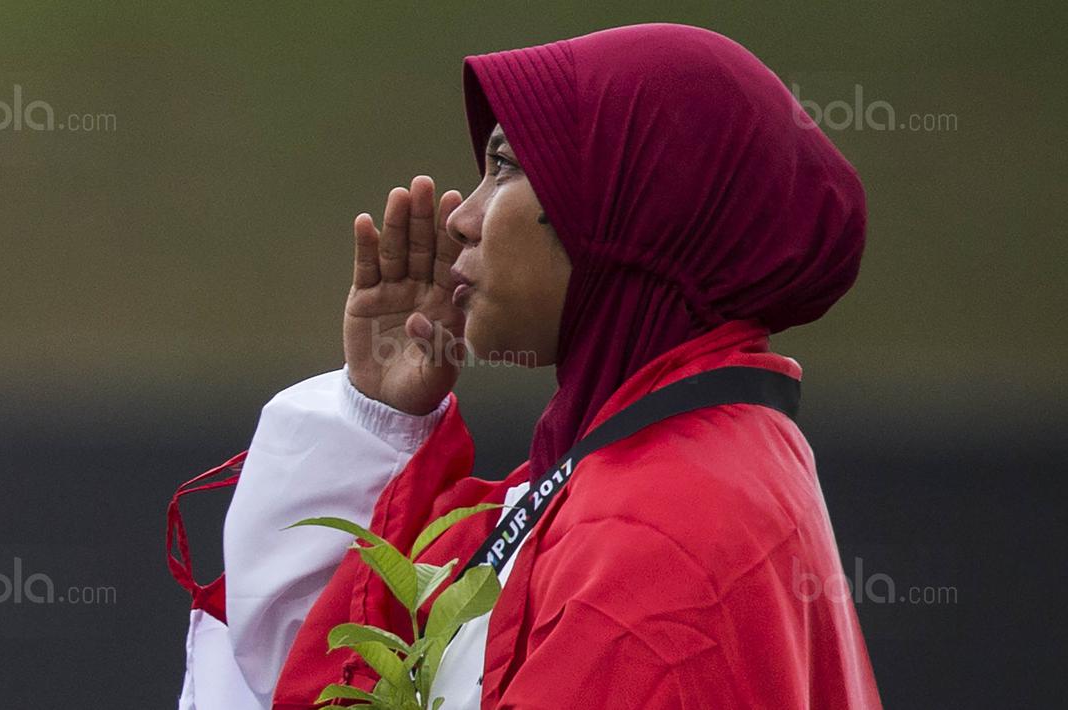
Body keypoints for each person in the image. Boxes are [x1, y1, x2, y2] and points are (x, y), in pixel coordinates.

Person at [168, 22, 883, 709]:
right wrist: (376, 417)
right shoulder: (666, 463)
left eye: (505, 166)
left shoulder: (652, 530)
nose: (461, 218)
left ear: (626, 205)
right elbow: (317, 666)